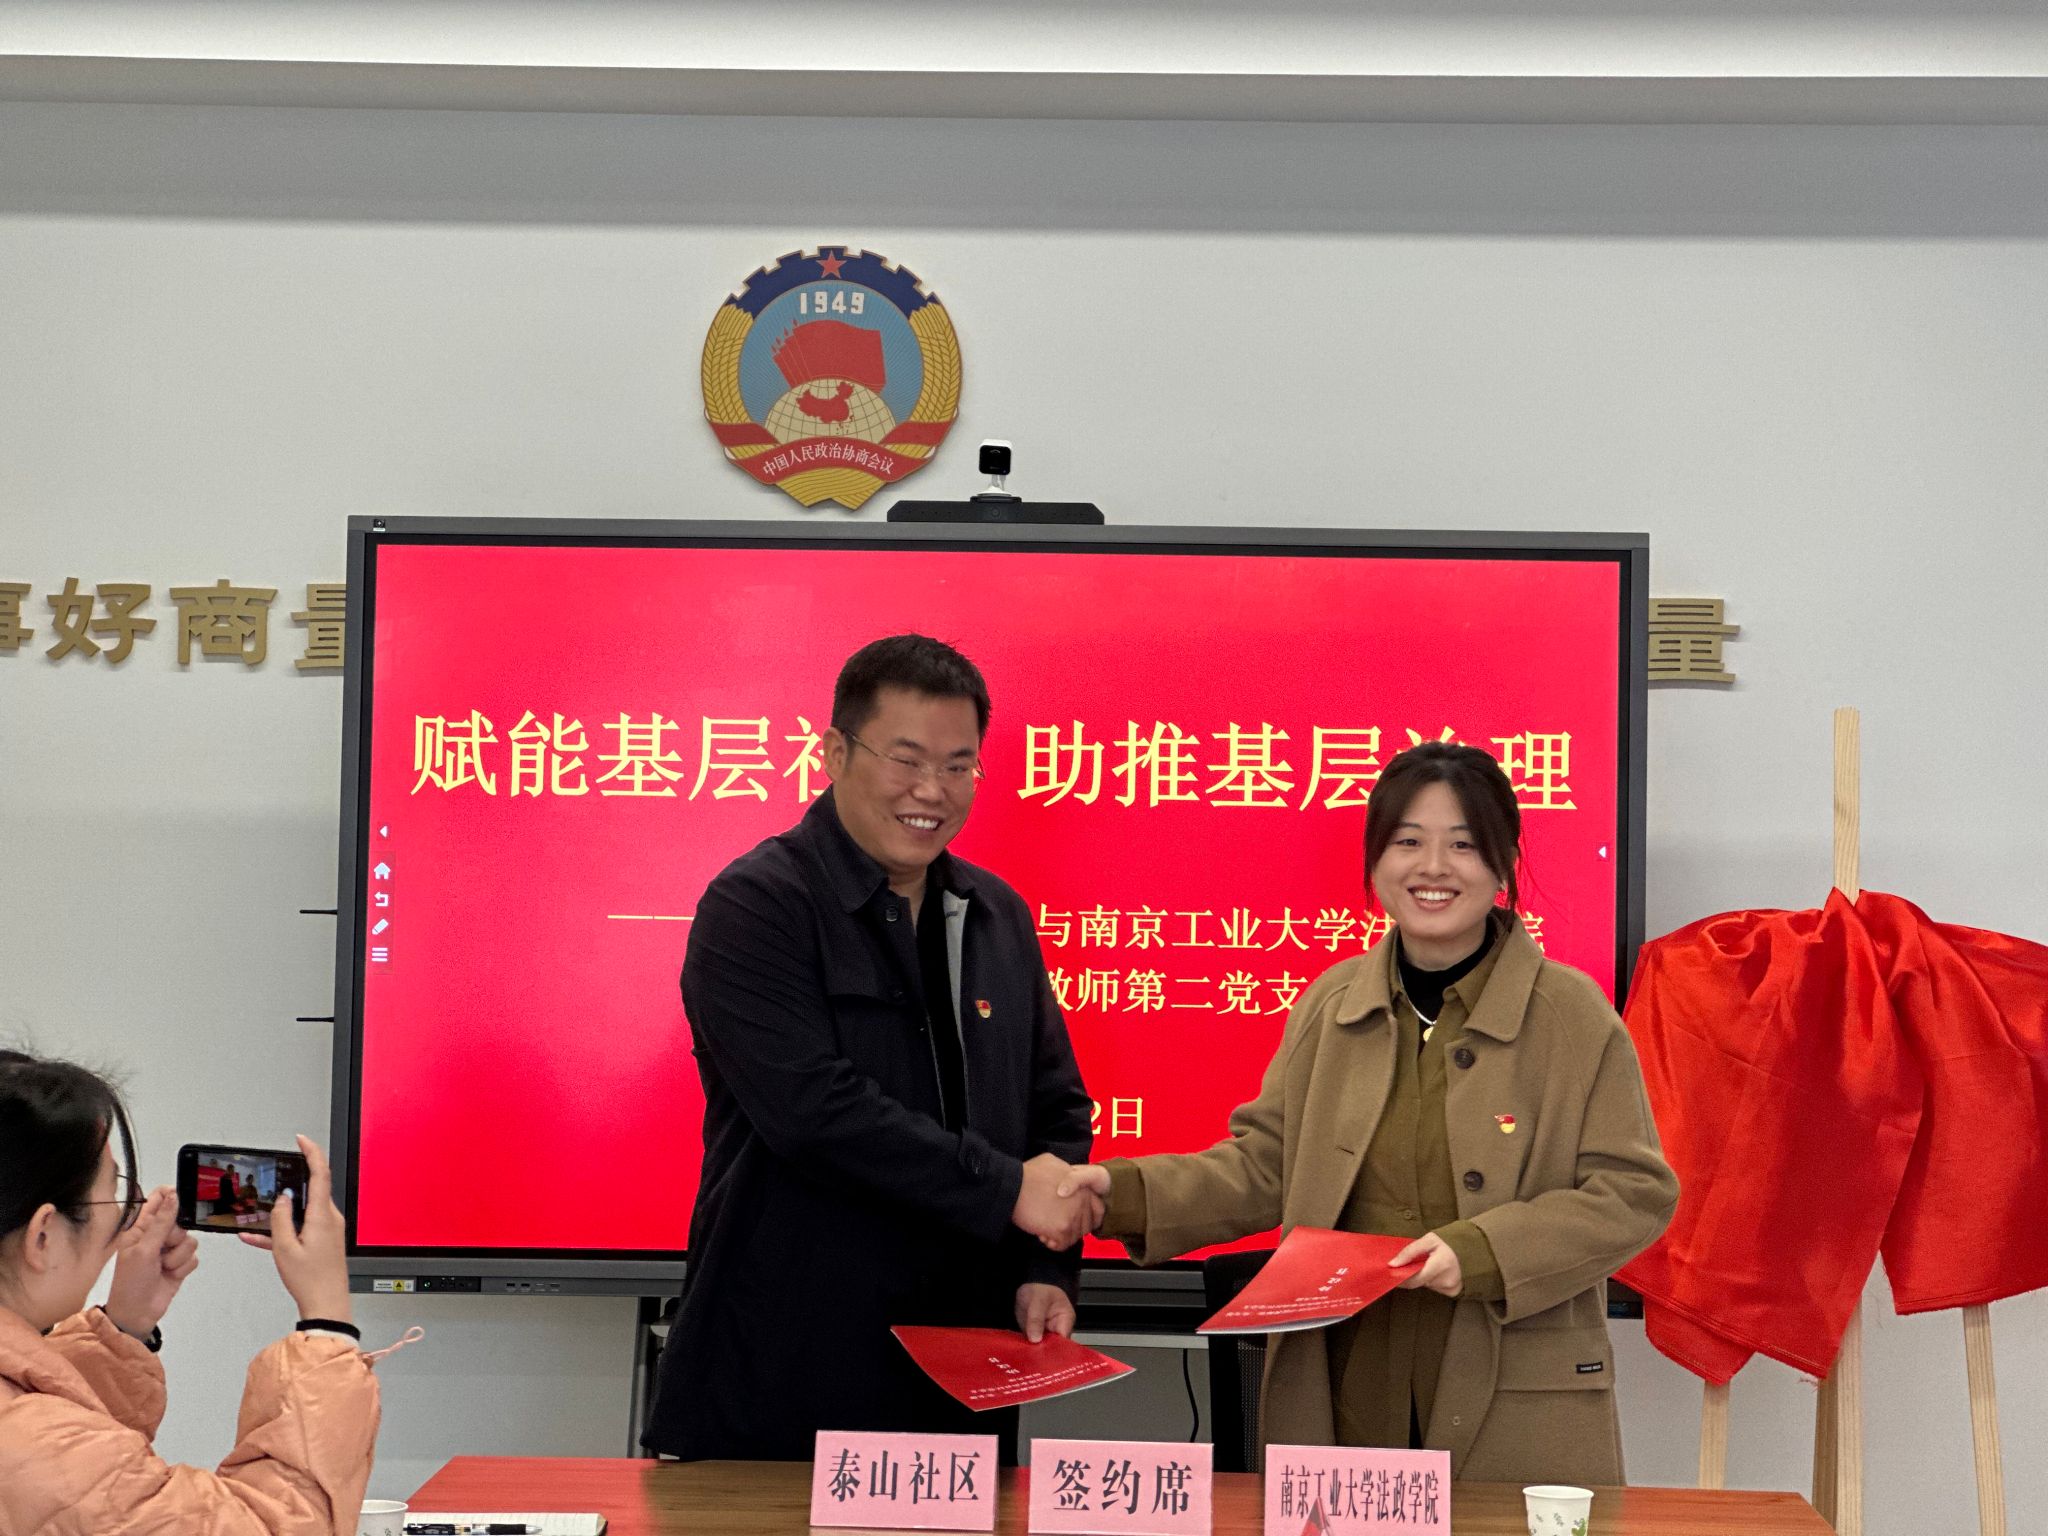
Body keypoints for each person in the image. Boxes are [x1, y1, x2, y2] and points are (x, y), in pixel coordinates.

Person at [1062, 742, 1678, 1485]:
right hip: (1348, 1376)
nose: (1433, 867)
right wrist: (1120, 1194)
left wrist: (1482, 1252)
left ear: (1505, 863)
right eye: (1407, 842)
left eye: (1463, 845)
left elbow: (1634, 1194)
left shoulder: (1570, 1013)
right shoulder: (1333, 1003)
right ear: (1375, 861)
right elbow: (1265, 1168)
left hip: (1513, 1386)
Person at [644, 634, 1095, 1461]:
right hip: (788, 1375)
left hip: (965, 1378)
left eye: (959, 766)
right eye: (906, 760)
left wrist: (1046, 1265)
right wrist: (1007, 1189)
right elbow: (814, 1112)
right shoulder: (756, 907)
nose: (932, 790)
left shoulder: (996, 914)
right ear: (834, 753)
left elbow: (1055, 1108)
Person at [0, 1051, 384, 1533]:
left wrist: (122, 1328)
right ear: (43, 1237)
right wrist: (327, 1323)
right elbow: (278, 1526)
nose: (124, 1222)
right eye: (114, 1194)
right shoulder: (40, 1450)